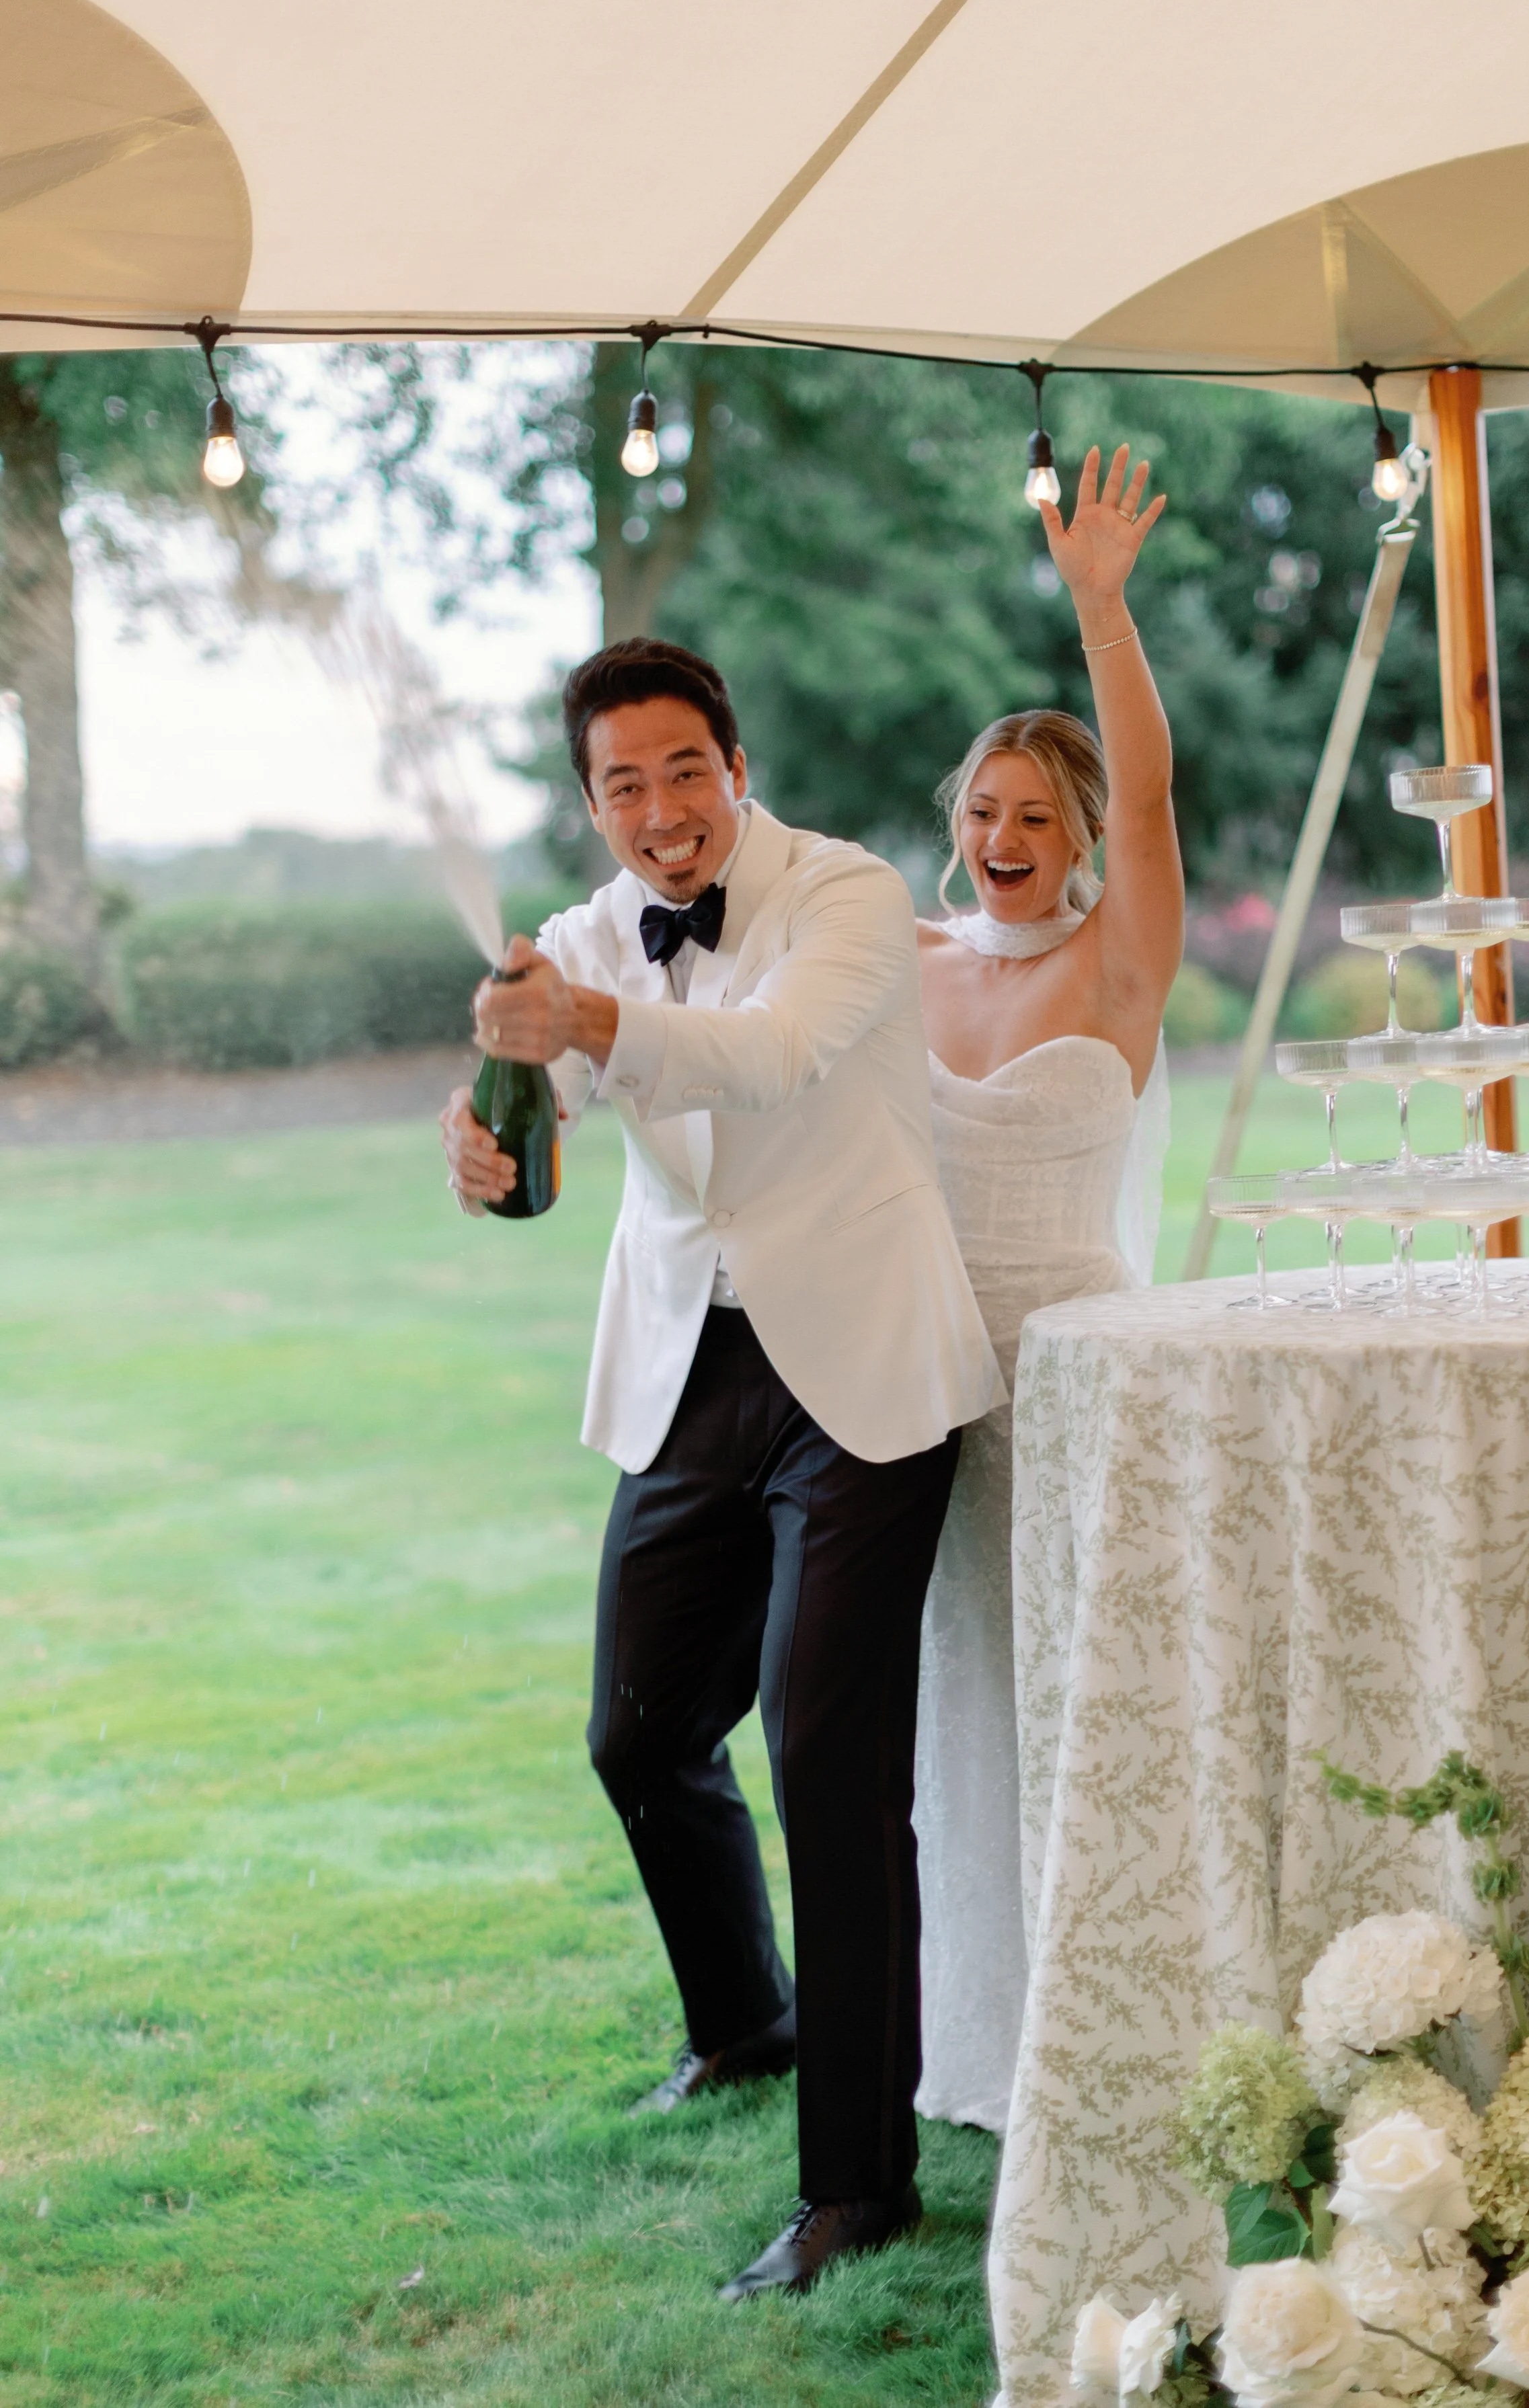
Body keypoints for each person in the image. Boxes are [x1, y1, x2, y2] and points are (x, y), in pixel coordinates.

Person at [438, 639, 1003, 2300]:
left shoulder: (846, 895)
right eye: (623, 784)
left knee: (829, 1761)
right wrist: (480, 1137)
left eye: (685, 769)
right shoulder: (578, 938)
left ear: (736, 767)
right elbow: (540, 1094)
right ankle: (745, 2019)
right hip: (693, 1365)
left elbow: (769, 1054)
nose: (661, 809)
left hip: (865, 1369)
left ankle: (859, 2186)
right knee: (638, 1732)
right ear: (592, 803)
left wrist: (589, 1021)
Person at [912, 444, 1182, 2134]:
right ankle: (981, 2042)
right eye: (981, 811)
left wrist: (1100, 611)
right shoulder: (904, 960)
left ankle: (1128, 2024)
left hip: (1080, 1383)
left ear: (1077, 834)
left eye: (1033, 815)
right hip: (928, 1384)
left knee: (1092, 1700)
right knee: (964, 1703)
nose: (1002, 837)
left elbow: (1154, 801)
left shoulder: (1118, 959)